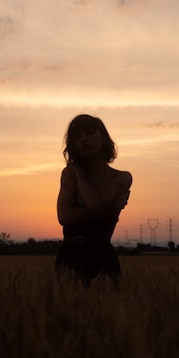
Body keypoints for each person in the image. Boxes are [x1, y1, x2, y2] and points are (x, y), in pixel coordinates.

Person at [54, 114, 132, 286]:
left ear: (103, 137)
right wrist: (107, 212)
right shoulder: (68, 174)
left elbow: (94, 205)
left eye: (89, 133)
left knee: (108, 309)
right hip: (70, 255)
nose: (84, 139)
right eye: (77, 137)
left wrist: (80, 175)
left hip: (102, 255)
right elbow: (64, 217)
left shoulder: (121, 177)